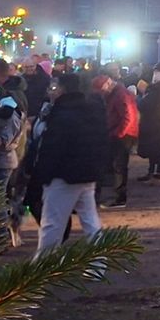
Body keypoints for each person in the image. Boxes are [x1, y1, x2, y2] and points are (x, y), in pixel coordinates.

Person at [28, 73, 108, 258]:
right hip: (87, 172)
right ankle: (98, 264)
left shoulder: (62, 113)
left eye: (54, 88)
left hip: (63, 175)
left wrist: (40, 174)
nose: (51, 91)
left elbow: (52, 148)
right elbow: (102, 142)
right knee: (90, 220)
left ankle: (43, 267)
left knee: (52, 223)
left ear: (63, 89)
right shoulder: (91, 109)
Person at [92, 74, 139, 208]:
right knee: (117, 166)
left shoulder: (120, 95)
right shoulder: (118, 93)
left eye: (101, 89)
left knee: (119, 166)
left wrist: (119, 133)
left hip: (122, 135)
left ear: (107, 84)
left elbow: (128, 117)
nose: (101, 92)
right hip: (121, 133)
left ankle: (120, 198)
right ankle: (118, 196)